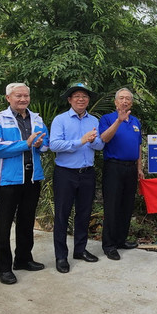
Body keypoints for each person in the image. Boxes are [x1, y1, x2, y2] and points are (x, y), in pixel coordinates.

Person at [0, 83, 47, 285]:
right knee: (3, 225)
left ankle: (23, 259)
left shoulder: (36, 118)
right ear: (8, 98)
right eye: (18, 96)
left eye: (26, 96)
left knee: (26, 220)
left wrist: (39, 144)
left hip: (32, 177)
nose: (23, 99)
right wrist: (26, 144)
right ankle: (4, 268)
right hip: (8, 180)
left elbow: (45, 143)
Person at [50, 82, 105, 273]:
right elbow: (54, 145)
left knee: (84, 214)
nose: (81, 99)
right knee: (62, 215)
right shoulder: (60, 120)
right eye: (77, 96)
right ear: (70, 100)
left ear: (88, 100)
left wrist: (95, 141)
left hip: (87, 173)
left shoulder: (94, 121)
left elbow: (99, 146)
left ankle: (80, 250)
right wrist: (81, 141)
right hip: (65, 173)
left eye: (84, 97)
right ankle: (61, 256)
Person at [99, 88, 143, 261]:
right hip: (114, 167)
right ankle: (109, 245)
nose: (124, 101)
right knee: (112, 206)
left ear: (131, 103)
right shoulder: (107, 119)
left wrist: (139, 167)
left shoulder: (135, 121)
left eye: (128, 99)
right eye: (121, 98)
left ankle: (121, 240)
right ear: (116, 102)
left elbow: (138, 146)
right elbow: (104, 138)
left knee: (127, 205)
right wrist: (118, 121)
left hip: (131, 168)